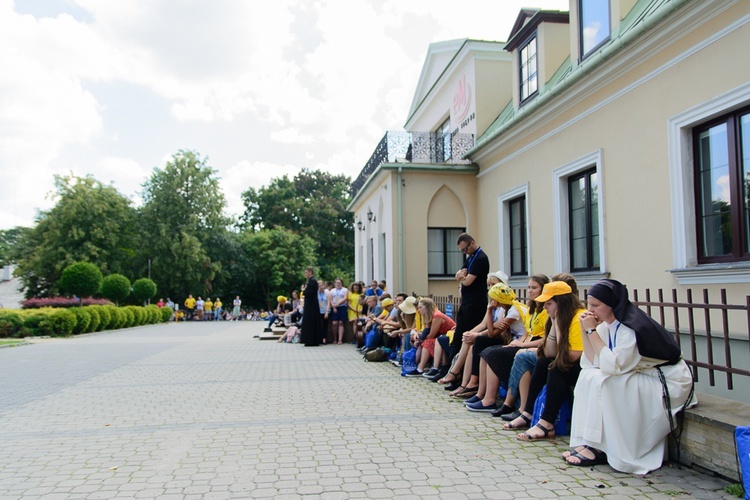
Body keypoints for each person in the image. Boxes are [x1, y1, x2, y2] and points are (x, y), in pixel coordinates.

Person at [564, 279, 695, 473]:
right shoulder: (607, 325)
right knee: (587, 377)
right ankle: (590, 441)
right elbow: (592, 361)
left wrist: (592, 330)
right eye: (588, 305)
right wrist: (586, 330)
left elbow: (612, 366)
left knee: (607, 382)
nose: (590, 310)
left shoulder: (629, 328)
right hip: (637, 373)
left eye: (596, 305)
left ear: (612, 305)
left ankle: (605, 448)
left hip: (666, 380)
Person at [503, 279, 585, 441]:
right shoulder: (557, 318)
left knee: (557, 367)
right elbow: (548, 352)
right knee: (543, 362)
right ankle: (528, 412)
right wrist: (555, 323)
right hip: (567, 362)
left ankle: (546, 423)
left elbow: (571, 357)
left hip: (583, 368)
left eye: (548, 303)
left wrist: (559, 323)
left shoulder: (577, 318)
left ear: (561, 303)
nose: (545, 307)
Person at [450, 233, 490, 365]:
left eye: (465, 249)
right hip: (466, 302)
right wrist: (461, 277)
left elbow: (468, 282)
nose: (464, 252)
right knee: (458, 335)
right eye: (462, 250)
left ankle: (462, 371)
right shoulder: (471, 257)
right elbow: (459, 274)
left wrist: (461, 278)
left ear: (472, 243)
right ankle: (450, 367)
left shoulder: (480, 258)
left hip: (475, 303)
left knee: (468, 336)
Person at [404, 298, 455, 377]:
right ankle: (418, 366)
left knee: (427, 342)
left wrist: (420, 340)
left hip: (450, 338)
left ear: (427, 307)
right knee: (422, 342)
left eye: (420, 307)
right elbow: (426, 331)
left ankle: (427, 368)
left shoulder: (437, 316)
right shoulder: (429, 316)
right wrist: (418, 336)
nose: (418, 310)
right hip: (441, 337)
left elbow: (431, 335)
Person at [301, 267, 324, 346]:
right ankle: (312, 340)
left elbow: (309, 293)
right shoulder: (312, 281)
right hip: (312, 303)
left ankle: (310, 340)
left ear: (310, 272)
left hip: (311, 304)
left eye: (306, 272)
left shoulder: (312, 281)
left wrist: (303, 290)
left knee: (310, 321)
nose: (305, 274)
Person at [330, 279, 349, 344]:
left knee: (341, 323)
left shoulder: (345, 290)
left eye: (339, 282)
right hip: (334, 307)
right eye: (337, 283)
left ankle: (340, 339)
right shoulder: (332, 290)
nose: (338, 284)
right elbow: (330, 299)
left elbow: (345, 298)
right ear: (334, 283)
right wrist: (333, 306)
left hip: (342, 307)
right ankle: (335, 338)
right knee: (334, 323)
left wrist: (338, 304)